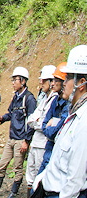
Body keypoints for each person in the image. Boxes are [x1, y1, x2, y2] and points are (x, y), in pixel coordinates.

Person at [34, 45, 87, 198]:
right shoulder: (74, 112)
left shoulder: (84, 120)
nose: (64, 82)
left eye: (68, 77)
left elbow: (75, 177)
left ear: (81, 83)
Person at [0, 67, 37, 198]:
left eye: (15, 80)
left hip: (21, 140)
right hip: (12, 138)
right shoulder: (16, 97)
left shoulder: (29, 99)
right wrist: (1, 118)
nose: (13, 82)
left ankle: (13, 193)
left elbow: (32, 121)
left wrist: (26, 141)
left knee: (18, 167)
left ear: (23, 81)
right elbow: (11, 114)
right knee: (1, 165)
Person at [25, 65, 56, 193]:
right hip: (35, 142)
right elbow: (31, 119)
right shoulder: (44, 99)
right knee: (30, 175)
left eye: (43, 81)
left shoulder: (54, 100)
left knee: (40, 176)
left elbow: (44, 125)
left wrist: (39, 124)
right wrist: (39, 123)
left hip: (44, 144)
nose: (41, 83)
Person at [38, 62, 70, 174]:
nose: (53, 84)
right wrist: (50, 127)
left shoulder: (68, 105)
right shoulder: (55, 101)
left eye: (56, 80)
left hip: (58, 151)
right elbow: (44, 124)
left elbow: (55, 131)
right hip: (49, 148)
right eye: (53, 80)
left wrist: (51, 126)